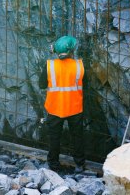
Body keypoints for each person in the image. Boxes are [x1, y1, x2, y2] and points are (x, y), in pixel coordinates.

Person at [39, 35, 86, 173]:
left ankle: (53, 164)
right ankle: (79, 164)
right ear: (72, 51)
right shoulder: (79, 66)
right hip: (75, 107)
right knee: (77, 136)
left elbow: (42, 85)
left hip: (55, 108)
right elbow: (86, 85)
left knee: (54, 137)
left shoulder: (50, 66)